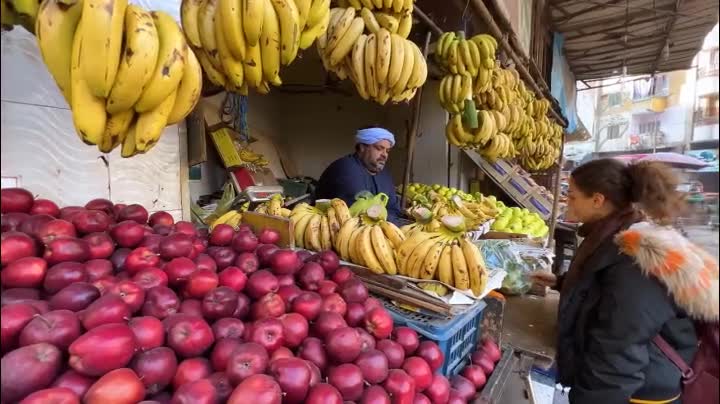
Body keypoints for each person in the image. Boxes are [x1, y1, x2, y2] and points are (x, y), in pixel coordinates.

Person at [531, 158, 718, 404]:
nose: (566, 201)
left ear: (597, 200)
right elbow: (604, 289)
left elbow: (618, 353)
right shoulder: (611, 234)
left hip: (639, 393)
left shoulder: (635, 257)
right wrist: (561, 282)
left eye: (573, 196)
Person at [315, 127, 403, 224]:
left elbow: (394, 209)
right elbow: (357, 213)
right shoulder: (345, 169)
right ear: (362, 147)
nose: (384, 155)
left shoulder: (385, 175)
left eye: (387, 151)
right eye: (379, 148)